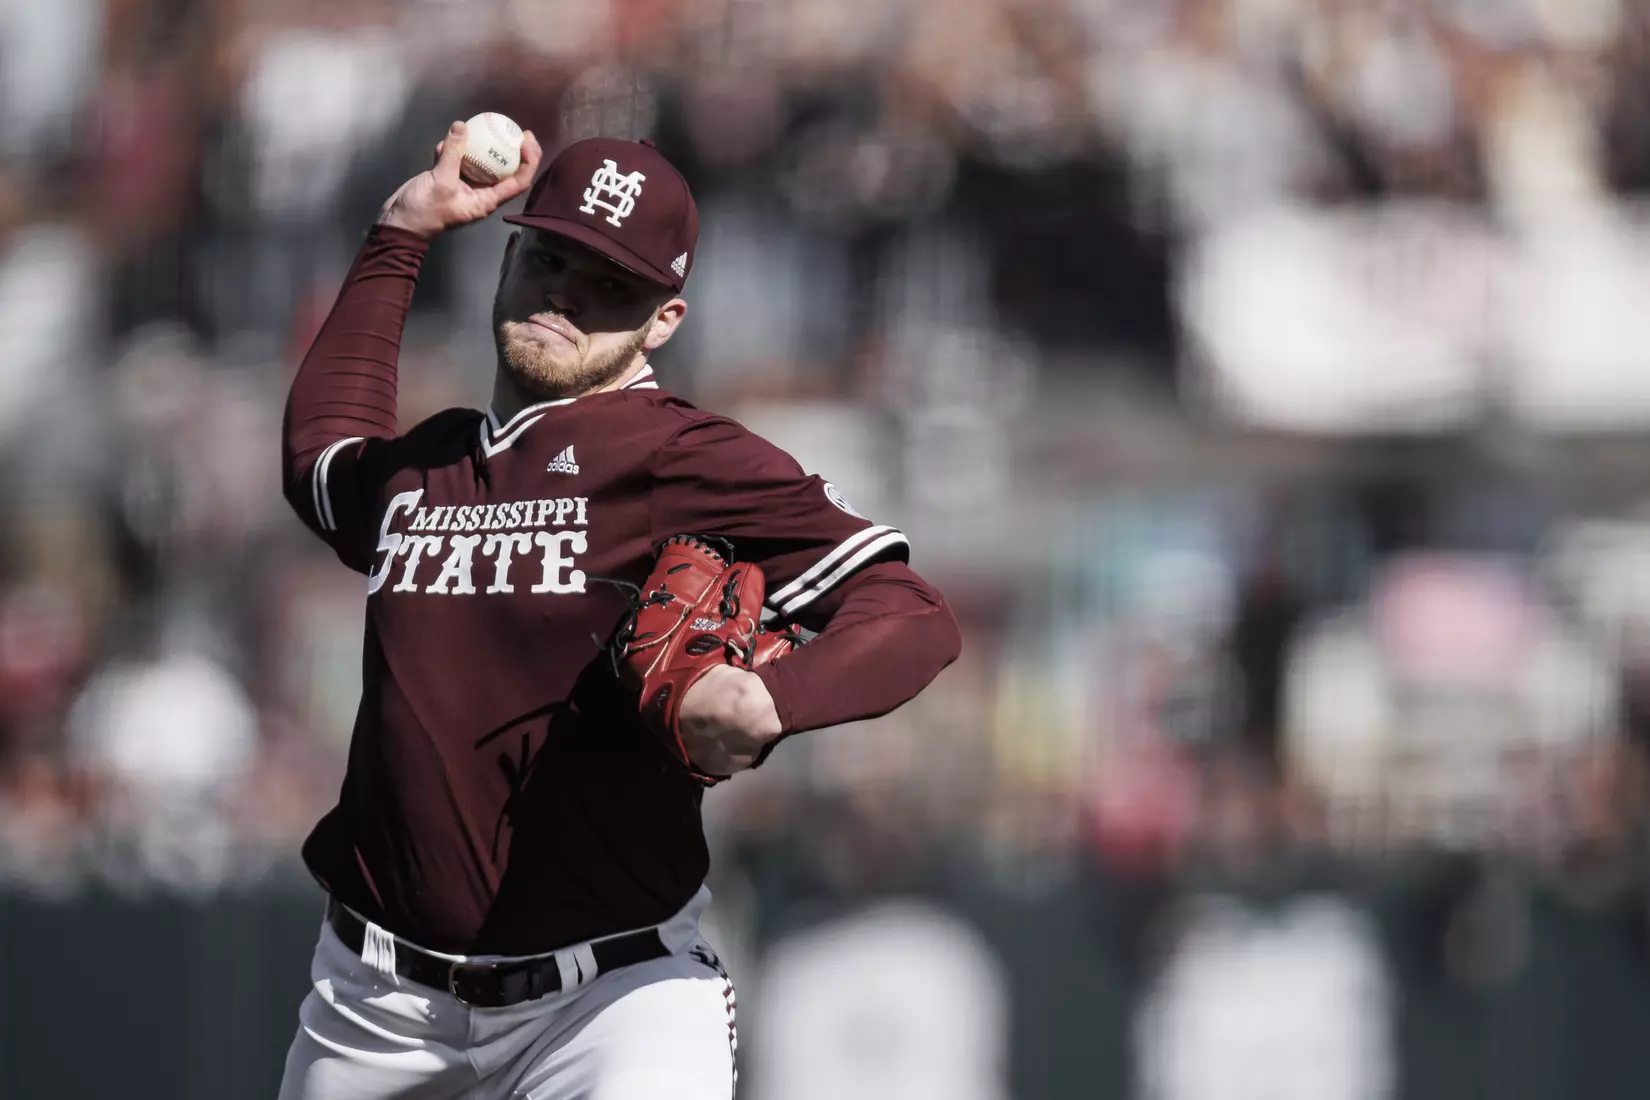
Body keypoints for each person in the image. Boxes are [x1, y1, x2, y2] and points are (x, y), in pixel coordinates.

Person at [276, 120, 962, 1100]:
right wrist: (401, 231)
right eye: (553, 258)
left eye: (612, 286)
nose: (569, 297)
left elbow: (913, 611)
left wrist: (774, 699)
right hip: (376, 1009)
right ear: (512, 251)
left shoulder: (675, 454)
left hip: (609, 998)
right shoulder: (429, 461)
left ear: (663, 320)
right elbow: (321, 465)